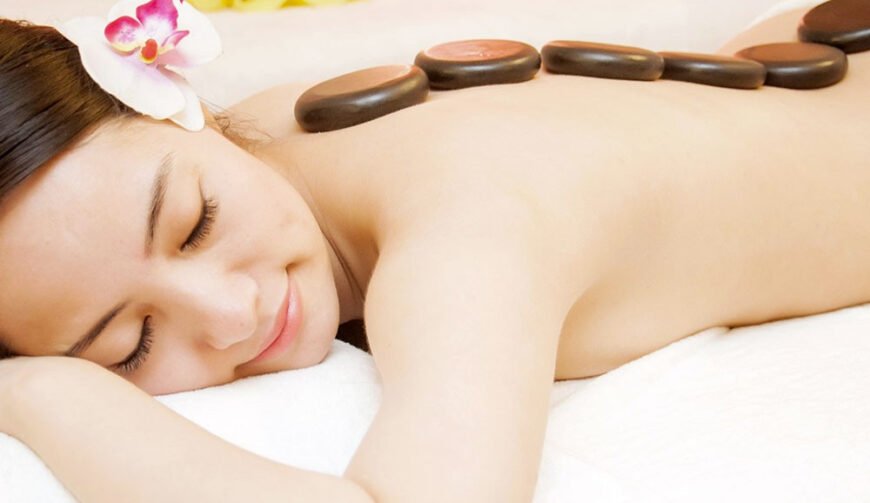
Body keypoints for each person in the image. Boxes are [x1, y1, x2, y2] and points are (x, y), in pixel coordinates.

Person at [0, 4, 867, 502]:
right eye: (132, 343)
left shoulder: (466, 233)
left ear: (177, 103)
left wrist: (49, 395)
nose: (232, 315)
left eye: (197, 222)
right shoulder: (271, 133)